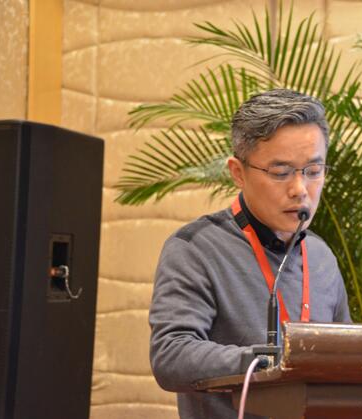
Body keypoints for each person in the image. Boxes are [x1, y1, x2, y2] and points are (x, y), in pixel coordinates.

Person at [149, 89, 351, 419]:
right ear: (238, 172)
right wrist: (269, 362)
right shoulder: (194, 248)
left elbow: (346, 357)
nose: (300, 189)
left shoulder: (321, 255)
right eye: (280, 172)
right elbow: (171, 356)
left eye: (314, 171)